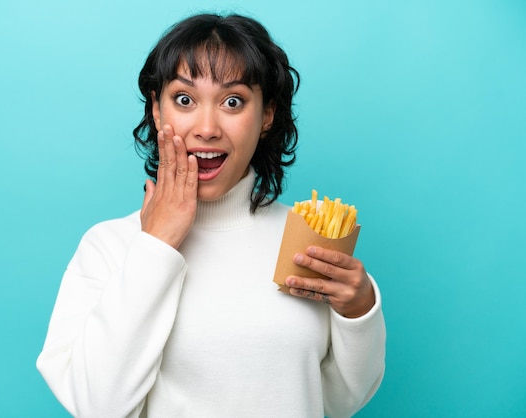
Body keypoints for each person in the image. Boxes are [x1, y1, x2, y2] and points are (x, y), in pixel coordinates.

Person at [37, 13, 386, 418]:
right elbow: (97, 407)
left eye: (233, 101)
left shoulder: (306, 240)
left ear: (267, 115)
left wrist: (359, 311)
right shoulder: (109, 246)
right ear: (157, 110)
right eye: (184, 99)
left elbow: (339, 402)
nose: (206, 128)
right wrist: (156, 245)